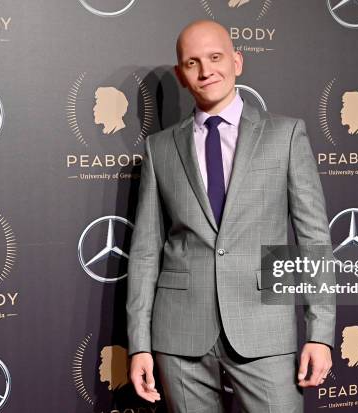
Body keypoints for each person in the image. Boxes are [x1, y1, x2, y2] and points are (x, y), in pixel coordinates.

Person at [126, 19, 335, 412]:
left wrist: (320, 332)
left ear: (237, 61)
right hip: (179, 338)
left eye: (216, 57)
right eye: (192, 63)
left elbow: (314, 241)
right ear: (181, 75)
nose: (206, 71)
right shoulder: (160, 149)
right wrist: (139, 344)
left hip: (264, 331)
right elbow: (145, 253)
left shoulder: (286, 135)